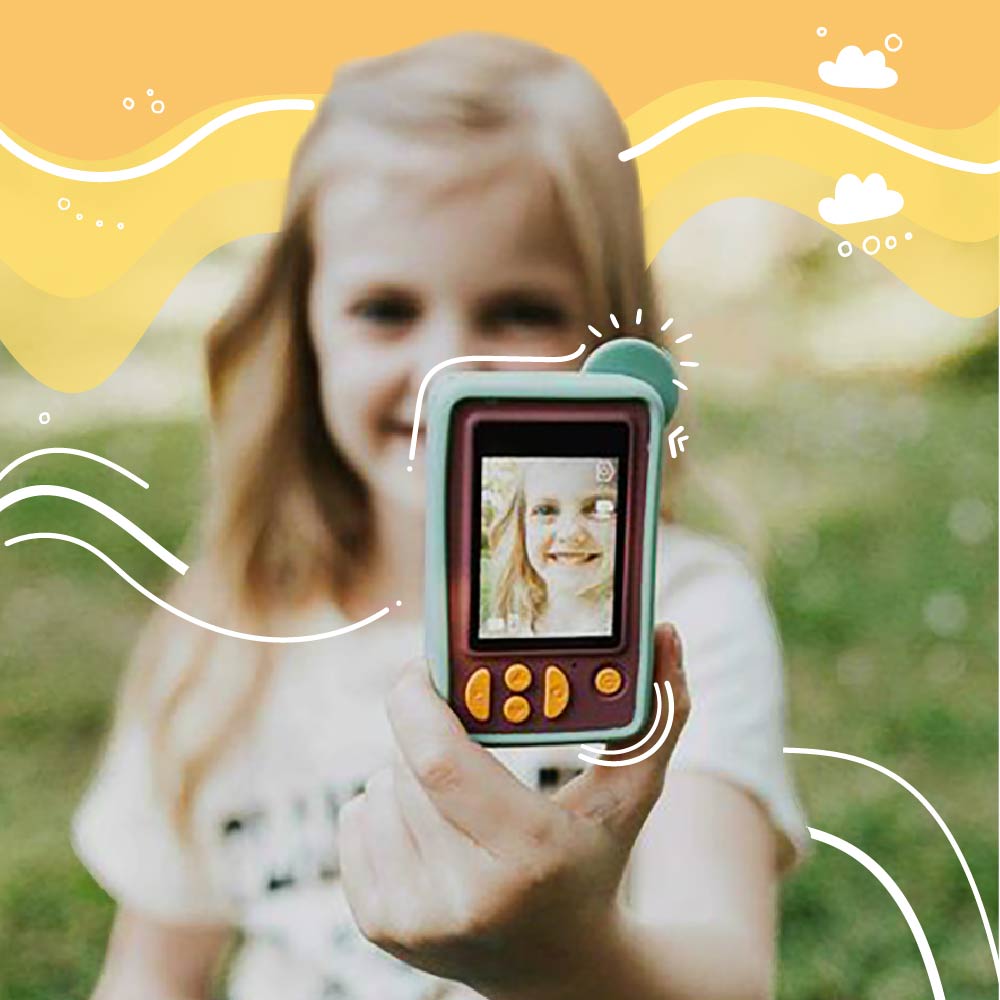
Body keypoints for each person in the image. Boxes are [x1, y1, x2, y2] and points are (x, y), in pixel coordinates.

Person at [75, 31, 809, 1000]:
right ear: (304, 332)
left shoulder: (680, 614)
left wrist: (570, 958)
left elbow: (729, 975)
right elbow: (150, 977)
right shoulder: (219, 631)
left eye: (518, 309)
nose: (446, 370)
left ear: (613, 346)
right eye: (385, 308)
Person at [484, 458, 618, 639]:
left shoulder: (649, 619)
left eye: (598, 507)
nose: (570, 533)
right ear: (521, 529)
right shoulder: (501, 632)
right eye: (545, 510)